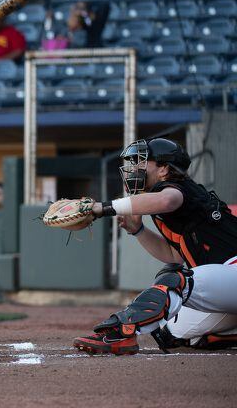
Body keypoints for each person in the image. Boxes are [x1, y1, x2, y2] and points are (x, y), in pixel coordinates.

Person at [73, 138, 237, 355]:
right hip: (227, 283)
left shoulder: (176, 189)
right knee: (171, 334)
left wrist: (103, 208)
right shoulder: (174, 204)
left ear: (163, 169)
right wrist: (138, 231)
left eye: (143, 161)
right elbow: (173, 255)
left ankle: (121, 332)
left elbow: (169, 200)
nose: (135, 168)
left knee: (174, 280)